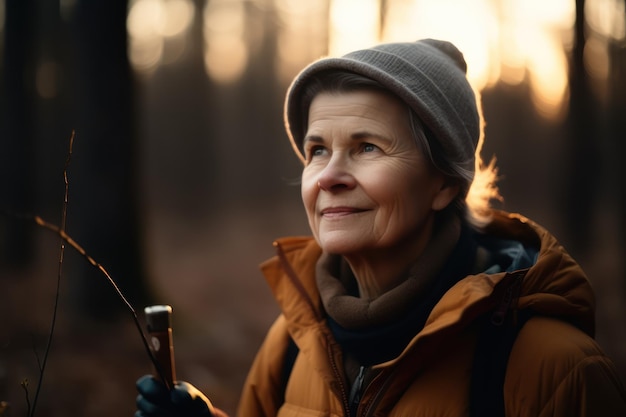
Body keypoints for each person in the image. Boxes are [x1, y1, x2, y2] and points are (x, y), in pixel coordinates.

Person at [135, 39, 626, 416]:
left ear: (443, 185)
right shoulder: (292, 341)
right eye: (317, 150)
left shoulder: (554, 367)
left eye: (367, 147)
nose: (328, 177)